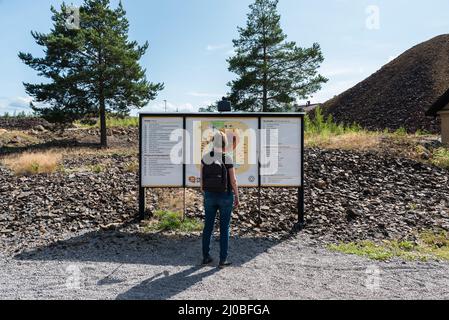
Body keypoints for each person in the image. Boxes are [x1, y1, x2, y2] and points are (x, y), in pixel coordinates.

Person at [200, 130, 240, 269]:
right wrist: (237, 195)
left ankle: (206, 257)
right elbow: (233, 180)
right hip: (225, 195)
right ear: (224, 143)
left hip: (209, 195)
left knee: (208, 227)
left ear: (213, 142)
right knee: (224, 228)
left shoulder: (205, 157)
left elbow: (202, 181)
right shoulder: (227, 158)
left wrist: (205, 193)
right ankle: (222, 260)